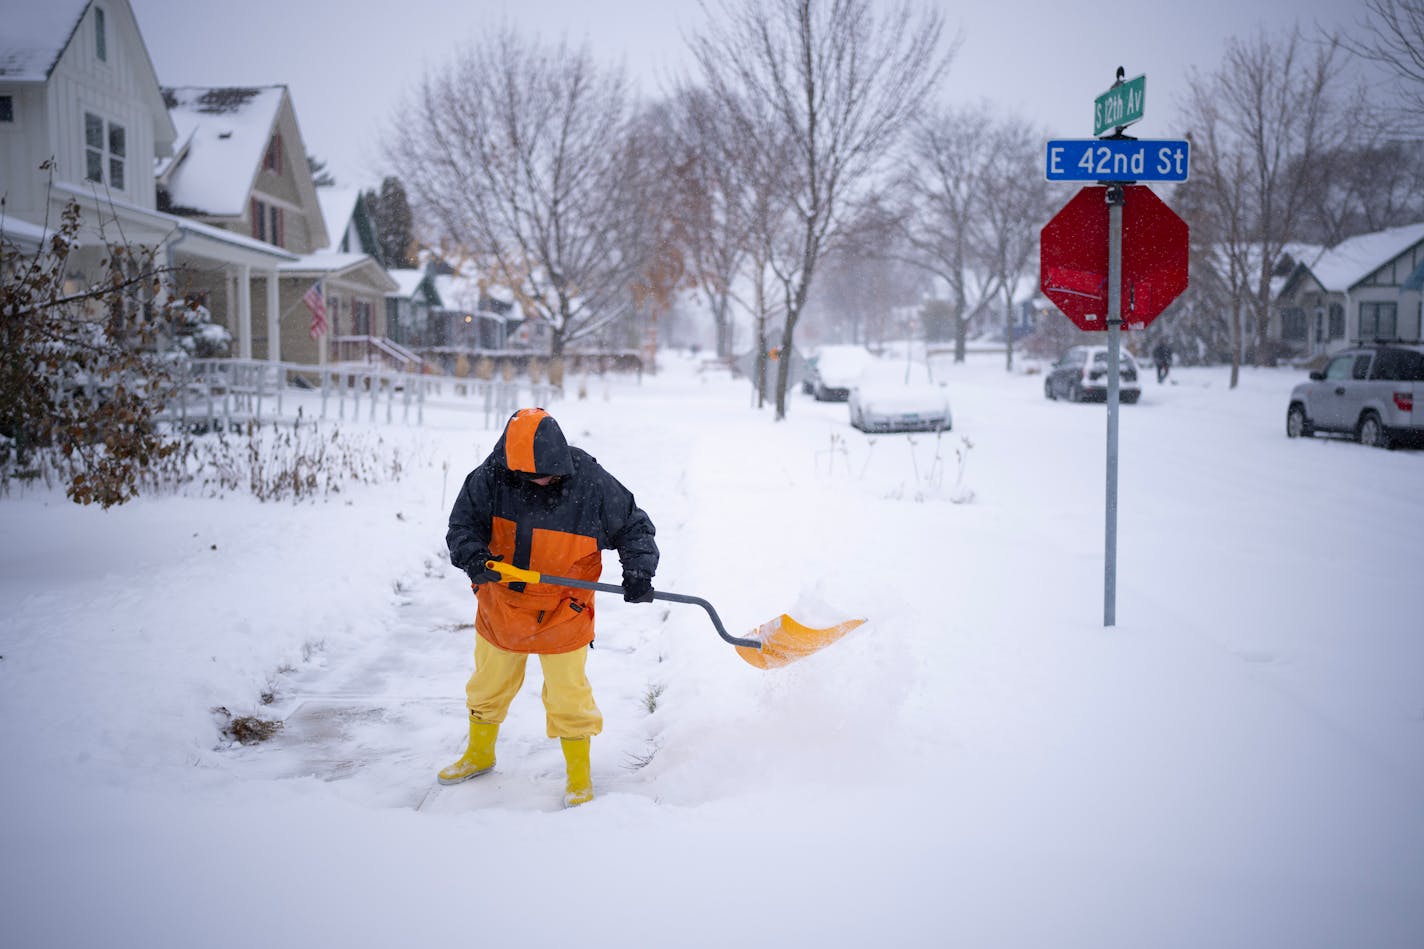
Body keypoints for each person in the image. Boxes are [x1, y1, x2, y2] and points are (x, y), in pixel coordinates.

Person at [441, 407, 658, 807]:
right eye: (534, 476)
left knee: (568, 696)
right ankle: (479, 753)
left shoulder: (590, 482)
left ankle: (579, 776)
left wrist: (639, 573)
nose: (543, 481)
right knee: (487, 686)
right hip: (501, 603)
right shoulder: (489, 479)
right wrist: (473, 558)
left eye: (549, 474)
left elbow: (634, 527)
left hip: (564, 607)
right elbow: (461, 528)